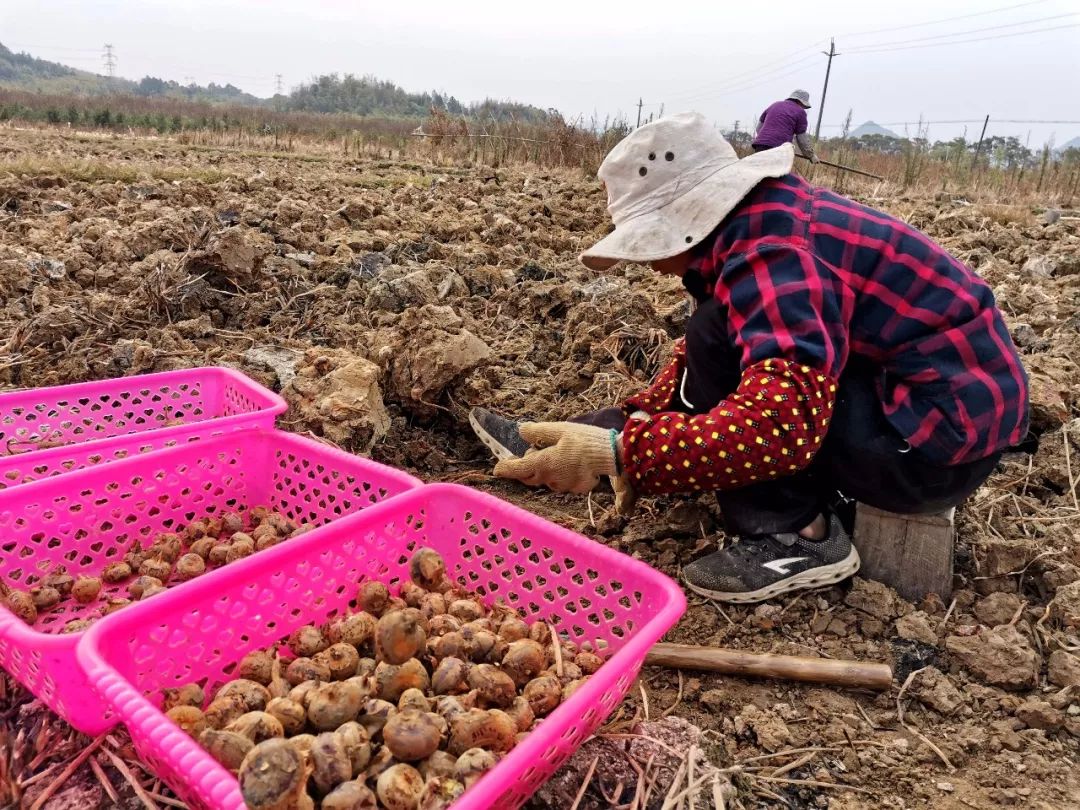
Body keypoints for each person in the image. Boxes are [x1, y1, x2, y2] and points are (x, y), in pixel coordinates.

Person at [470, 112, 1029, 605]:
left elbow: (781, 426)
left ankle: (796, 534)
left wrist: (629, 457)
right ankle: (614, 433)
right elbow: (719, 343)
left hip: (930, 445)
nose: (645, 261)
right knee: (717, 327)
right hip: (907, 395)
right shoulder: (757, 225)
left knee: (757, 386)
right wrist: (640, 419)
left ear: (685, 222)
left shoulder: (774, 254)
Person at [753, 89, 818, 163]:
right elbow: (801, 137)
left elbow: (759, 128)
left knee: (760, 172)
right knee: (775, 173)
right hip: (779, 149)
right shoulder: (800, 112)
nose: (803, 108)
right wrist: (811, 155)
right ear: (801, 102)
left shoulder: (774, 105)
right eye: (803, 106)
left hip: (760, 145)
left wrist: (767, 140)